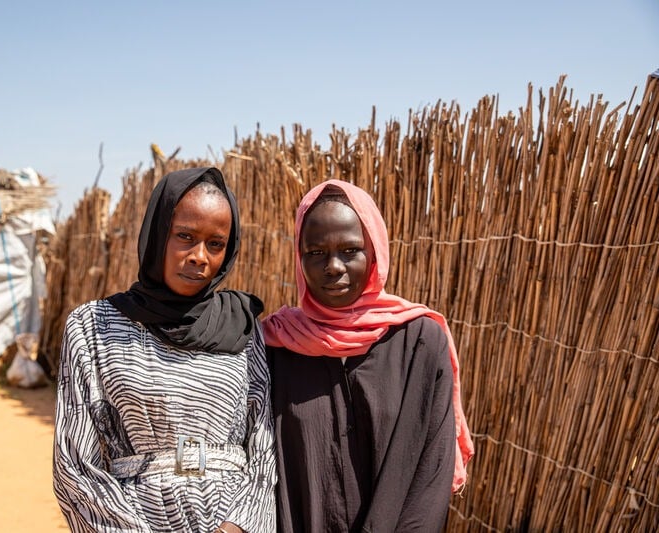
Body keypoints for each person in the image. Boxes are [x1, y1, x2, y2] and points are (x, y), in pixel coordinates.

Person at [53, 167, 276, 533]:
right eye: (185, 236)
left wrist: (239, 526)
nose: (199, 256)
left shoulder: (242, 326)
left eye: (215, 244)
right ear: (158, 236)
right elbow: (74, 462)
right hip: (133, 519)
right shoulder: (94, 326)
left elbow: (264, 446)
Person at [262, 180, 474, 532]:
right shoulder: (277, 347)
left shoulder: (419, 342)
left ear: (373, 252)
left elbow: (430, 473)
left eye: (350, 250)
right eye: (315, 252)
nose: (333, 266)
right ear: (299, 259)